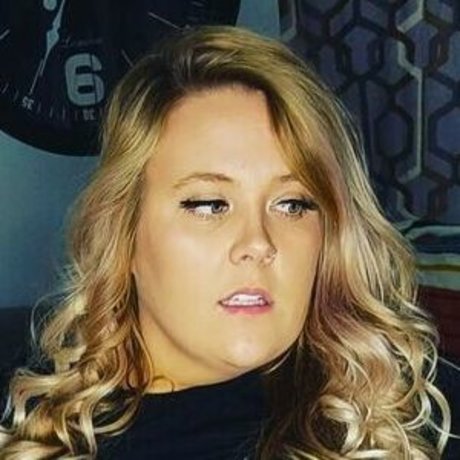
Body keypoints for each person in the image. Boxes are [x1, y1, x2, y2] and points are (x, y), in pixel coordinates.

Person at [0, 25, 458, 460]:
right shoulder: (30, 423)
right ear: (123, 234)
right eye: (209, 204)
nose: (258, 242)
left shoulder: (413, 417)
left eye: (292, 204)